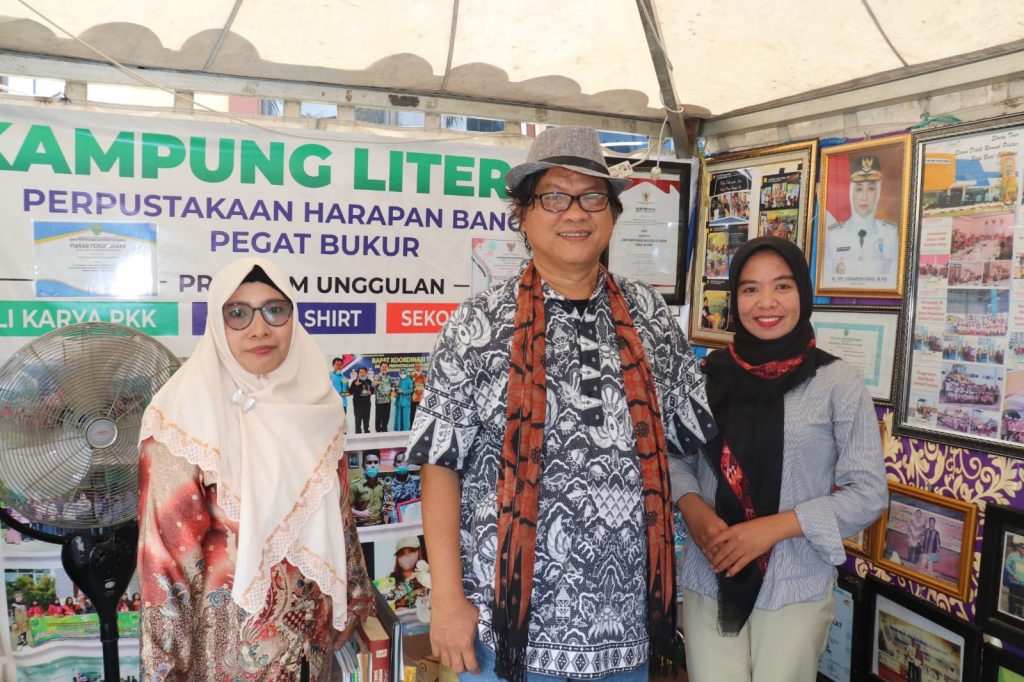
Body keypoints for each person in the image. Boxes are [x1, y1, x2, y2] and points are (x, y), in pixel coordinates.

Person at [409, 126, 715, 681]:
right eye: (553, 197)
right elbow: (440, 465)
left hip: (626, 631)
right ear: (523, 216)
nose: (575, 212)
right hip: (508, 633)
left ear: (613, 215)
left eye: (592, 197)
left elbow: (684, 448)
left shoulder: (650, 316)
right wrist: (447, 599)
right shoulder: (476, 325)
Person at [137, 257, 372, 680]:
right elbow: (165, 562)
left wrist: (352, 599)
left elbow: (340, 512)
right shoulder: (181, 420)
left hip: (313, 643)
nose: (259, 329)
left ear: (293, 318)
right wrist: (163, 670)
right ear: (217, 324)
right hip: (229, 657)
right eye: (238, 313)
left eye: (274, 310)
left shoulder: (319, 406)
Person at [678, 237, 887, 681]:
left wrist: (773, 528)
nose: (766, 302)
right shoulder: (706, 377)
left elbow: (868, 494)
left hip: (794, 584)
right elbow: (675, 459)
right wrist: (694, 509)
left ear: (803, 294)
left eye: (782, 286)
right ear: (734, 298)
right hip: (709, 575)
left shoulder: (837, 382)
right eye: (750, 289)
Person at [821, 155, 899, 288]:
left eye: (871, 189)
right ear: (851, 192)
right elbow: (826, 280)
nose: (864, 197)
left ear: (878, 192)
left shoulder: (890, 233)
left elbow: (894, 281)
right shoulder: (834, 234)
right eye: (859, 189)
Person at [386, 536, 430, 611]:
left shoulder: (427, 575)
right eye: (402, 553)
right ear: (397, 557)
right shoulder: (389, 581)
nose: (407, 556)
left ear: (419, 551)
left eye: (411, 551)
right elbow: (386, 603)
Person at [350, 450, 389, 526]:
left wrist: (386, 508)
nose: (373, 465)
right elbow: (346, 508)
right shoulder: (355, 485)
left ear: (379, 464)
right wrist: (360, 513)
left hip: (380, 525)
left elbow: (385, 504)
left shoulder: (383, 484)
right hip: (363, 527)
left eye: (376, 462)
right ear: (363, 465)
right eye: (369, 462)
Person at [385, 449, 422, 524]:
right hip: (395, 524)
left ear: (408, 463)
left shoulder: (417, 481)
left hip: (413, 521)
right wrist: (387, 510)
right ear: (394, 465)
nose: (402, 464)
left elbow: (421, 503)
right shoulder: (389, 486)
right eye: (399, 462)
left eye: (404, 461)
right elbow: (388, 512)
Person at [350, 367, 373, 434]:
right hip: (358, 405)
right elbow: (350, 392)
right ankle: (358, 433)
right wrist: (355, 385)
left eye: (364, 372)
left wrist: (371, 391)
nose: (362, 374)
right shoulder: (355, 382)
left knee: (366, 420)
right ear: (358, 374)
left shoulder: (369, 381)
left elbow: (372, 390)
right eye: (361, 373)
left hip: (367, 404)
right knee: (358, 421)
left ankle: (367, 432)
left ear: (366, 373)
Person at [1004, 541, 1024, 617]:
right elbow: (1007, 566)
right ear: (1020, 548)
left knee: (1021, 598)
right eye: (1023, 548)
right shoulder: (1012, 555)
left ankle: (1019, 612)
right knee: (1012, 597)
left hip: (1023, 583)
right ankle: (1011, 611)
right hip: (1014, 581)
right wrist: (1012, 574)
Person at [374, 362, 394, 432]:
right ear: (380, 368)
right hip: (379, 401)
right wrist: (376, 383)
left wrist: (393, 390)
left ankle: (384, 429)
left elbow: (392, 387)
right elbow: (373, 385)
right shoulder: (377, 376)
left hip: (388, 400)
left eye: (385, 367)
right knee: (378, 417)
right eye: (383, 367)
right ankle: (378, 430)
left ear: (387, 368)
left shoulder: (389, 378)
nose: (384, 368)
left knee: (386, 417)